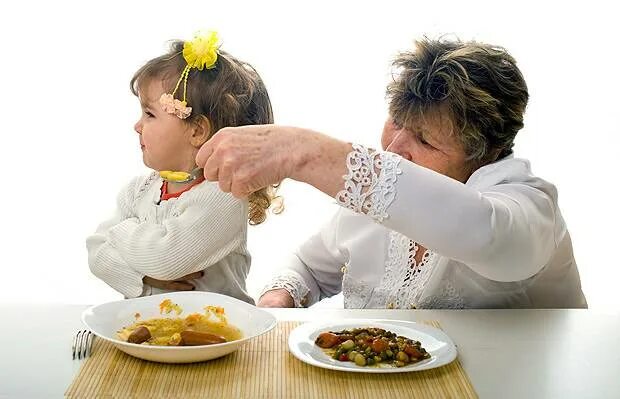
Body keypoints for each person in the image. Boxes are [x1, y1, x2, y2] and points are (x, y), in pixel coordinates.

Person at [196, 37, 587, 309]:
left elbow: (485, 234)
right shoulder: (378, 196)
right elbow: (310, 266)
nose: (394, 149)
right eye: (395, 122)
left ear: (485, 155)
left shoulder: (531, 207)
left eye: (426, 141)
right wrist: (280, 297)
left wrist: (302, 152)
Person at [86, 31, 278, 304]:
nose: (137, 126)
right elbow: (95, 251)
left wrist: (119, 232)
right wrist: (141, 279)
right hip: (155, 333)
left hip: (219, 332)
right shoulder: (139, 190)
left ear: (197, 131)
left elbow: (165, 259)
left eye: (149, 114)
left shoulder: (223, 196)